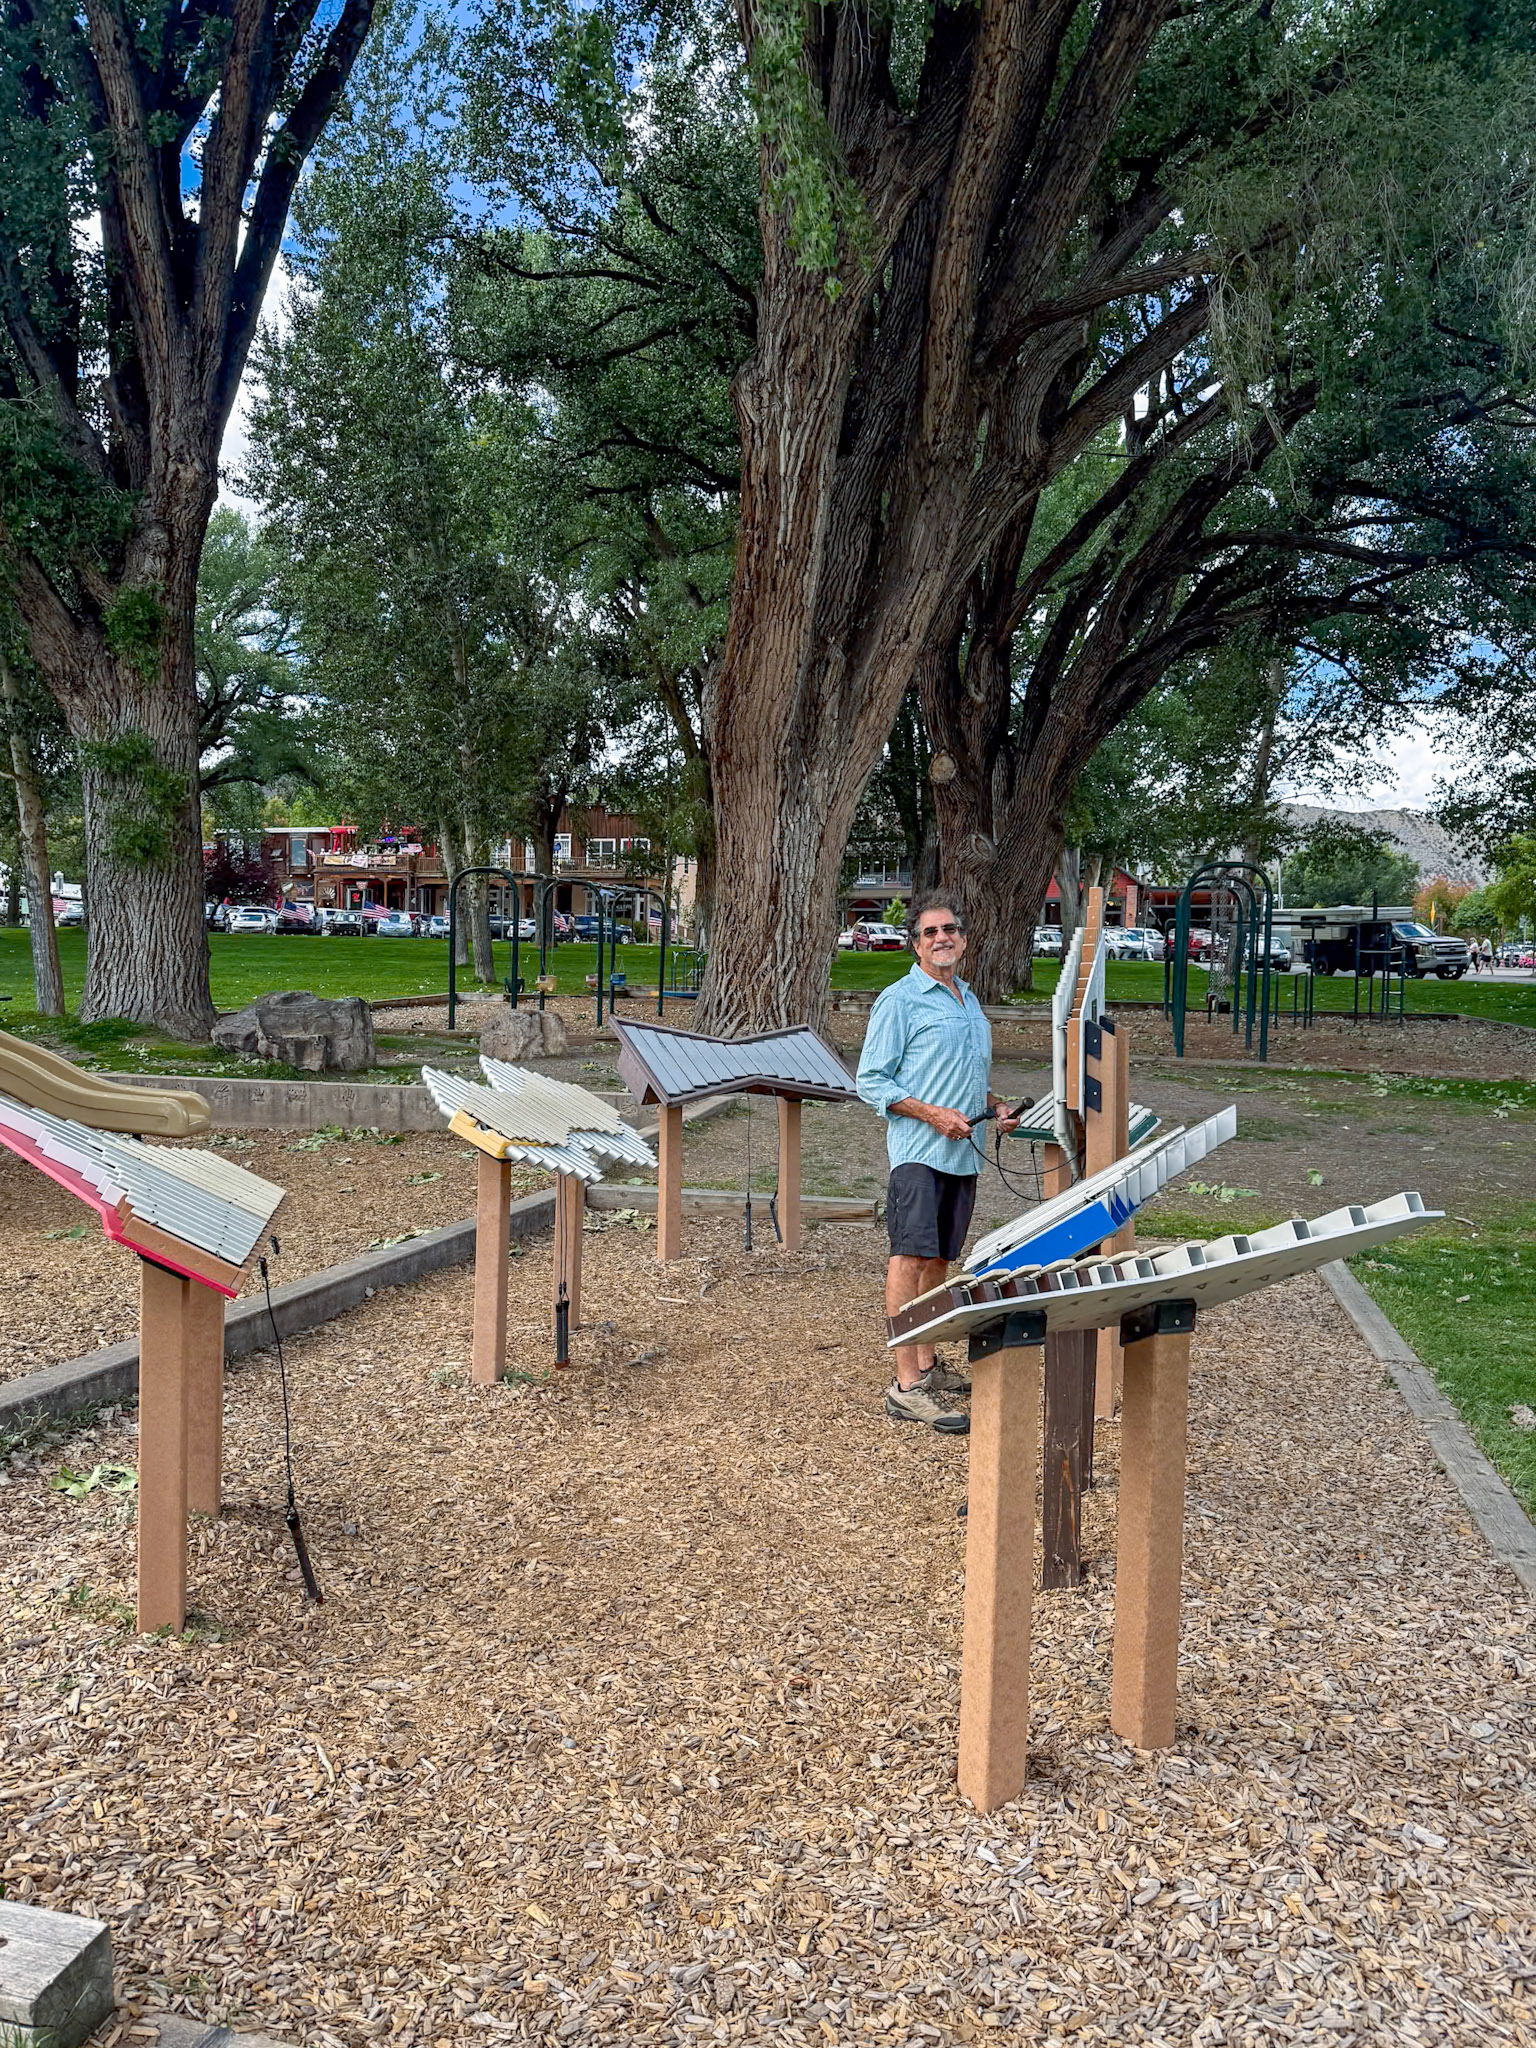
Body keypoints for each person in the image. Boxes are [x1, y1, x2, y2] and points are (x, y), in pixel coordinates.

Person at [856, 890, 1021, 1423]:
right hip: (919, 1153)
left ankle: (927, 1363)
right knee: (909, 1258)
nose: (941, 938)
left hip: (963, 1154)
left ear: (963, 940)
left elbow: (964, 1077)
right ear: (916, 944)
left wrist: (995, 1106)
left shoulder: (968, 999)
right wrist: (933, 1116)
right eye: (930, 932)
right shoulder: (900, 1000)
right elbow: (871, 1081)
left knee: (940, 1260)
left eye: (949, 929)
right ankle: (905, 1384)